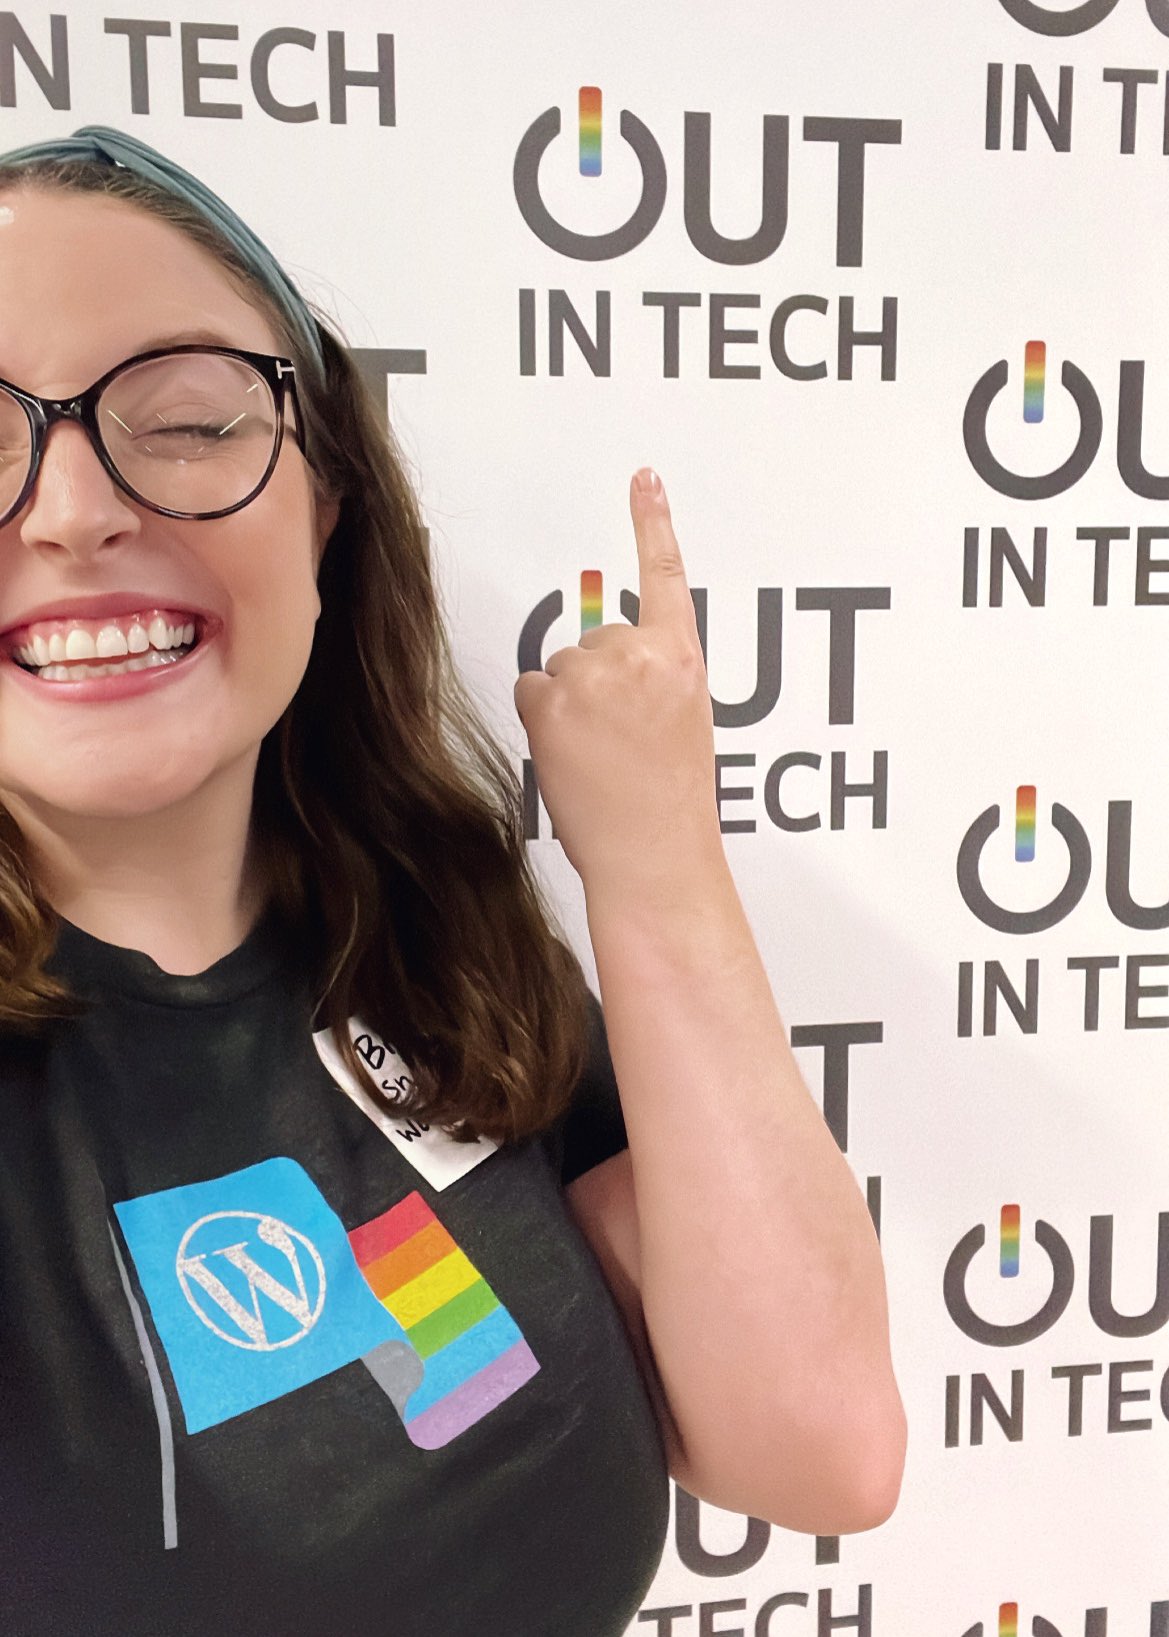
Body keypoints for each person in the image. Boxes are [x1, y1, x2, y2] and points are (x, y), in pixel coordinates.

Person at [0, 128, 905, 1637]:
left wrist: (659, 856)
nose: (71, 508)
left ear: (328, 501)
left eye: (185, 421)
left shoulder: (423, 936)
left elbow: (810, 1446)